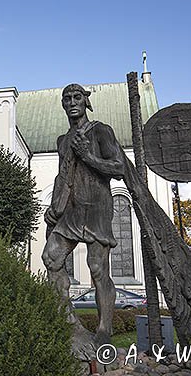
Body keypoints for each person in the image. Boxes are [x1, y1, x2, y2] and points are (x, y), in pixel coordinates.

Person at [42, 83, 125, 345]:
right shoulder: (62, 141)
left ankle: (104, 330)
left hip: (97, 209)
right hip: (71, 211)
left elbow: (119, 167)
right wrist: (55, 207)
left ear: (86, 101)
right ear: (63, 105)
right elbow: (62, 177)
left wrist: (88, 156)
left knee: (97, 269)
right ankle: (68, 323)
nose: (72, 102)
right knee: (51, 257)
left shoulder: (100, 131)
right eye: (67, 99)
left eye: (77, 97)